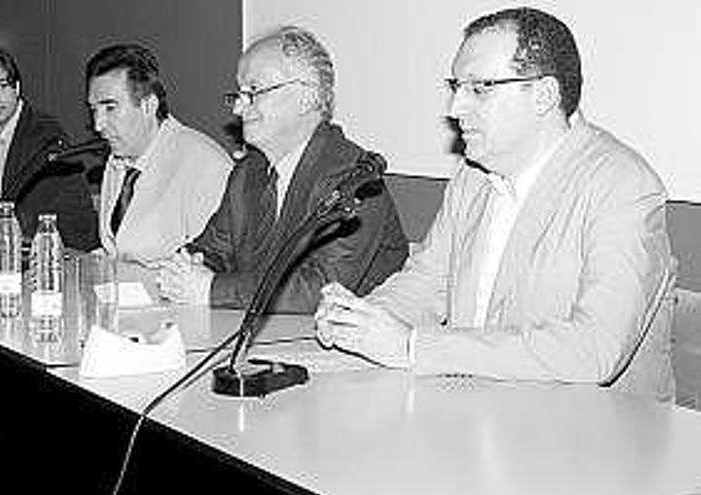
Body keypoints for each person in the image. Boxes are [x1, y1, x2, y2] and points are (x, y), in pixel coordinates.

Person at [315, 7, 674, 401]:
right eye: (456, 86)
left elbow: (595, 350)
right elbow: (426, 283)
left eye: (479, 88)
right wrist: (360, 319)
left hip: (596, 440)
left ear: (543, 95)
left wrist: (413, 347)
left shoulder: (622, 185)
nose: (455, 109)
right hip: (477, 415)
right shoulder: (472, 178)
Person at [157, 26, 409, 314]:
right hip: (261, 335)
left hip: (339, 343)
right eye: (239, 94)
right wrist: (184, 267)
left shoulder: (353, 178)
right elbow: (213, 249)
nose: (238, 108)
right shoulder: (248, 171)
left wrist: (211, 289)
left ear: (307, 98)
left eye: (254, 91)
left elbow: (322, 287)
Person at [0, 45, 98, 250]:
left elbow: (19, 220)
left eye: (2, 86)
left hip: (65, 256)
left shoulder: (44, 136)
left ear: (17, 88)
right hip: (13, 249)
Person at [86, 44, 232, 263]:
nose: (98, 124)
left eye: (110, 108)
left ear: (149, 105)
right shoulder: (116, 162)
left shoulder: (205, 165)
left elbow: (209, 265)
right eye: (93, 110)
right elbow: (117, 251)